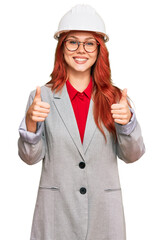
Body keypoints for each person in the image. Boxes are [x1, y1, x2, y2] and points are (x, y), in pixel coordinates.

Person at [18, 4, 145, 240]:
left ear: (99, 49)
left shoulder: (115, 98)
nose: (81, 50)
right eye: (73, 41)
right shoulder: (41, 97)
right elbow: (29, 158)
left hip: (103, 215)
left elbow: (133, 155)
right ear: (62, 46)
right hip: (57, 214)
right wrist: (30, 122)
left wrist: (128, 124)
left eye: (89, 43)